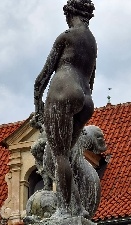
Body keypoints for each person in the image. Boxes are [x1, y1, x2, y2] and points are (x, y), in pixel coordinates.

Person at [34, 0, 97, 218]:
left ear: (69, 14)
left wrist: (37, 104)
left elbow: (43, 75)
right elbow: (92, 77)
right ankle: (77, 206)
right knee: (67, 155)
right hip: (85, 98)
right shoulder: (91, 42)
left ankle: (62, 209)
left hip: (62, 92)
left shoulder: (66, 36)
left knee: (59, 154)